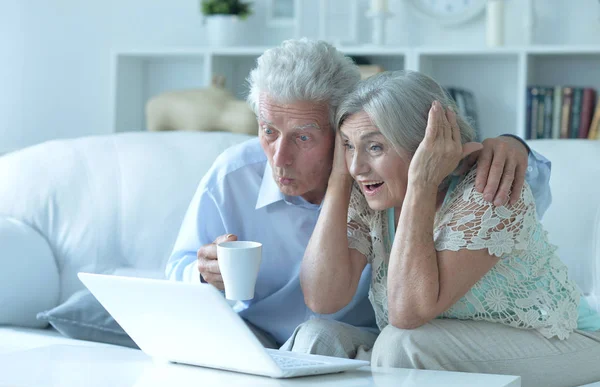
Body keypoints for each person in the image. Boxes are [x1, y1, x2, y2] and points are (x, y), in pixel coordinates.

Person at [165, 39, 551, 352]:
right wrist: (200, 275)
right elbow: (175, 270)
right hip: (252, 337)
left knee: (332, 337)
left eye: (303, 137)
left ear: (344, 126)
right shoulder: (233, 175)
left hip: (355, 341)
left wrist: (514, 145)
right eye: (268, 131)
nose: (278, 158)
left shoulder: (380, 174)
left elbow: (513, 193)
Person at [297, 70, 600, 387]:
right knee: (318, 336)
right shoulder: (372, 193)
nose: (358, 166)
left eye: (374, 147)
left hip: (568, 343)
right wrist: (339, 179)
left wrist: (422, 182)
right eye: (348, 146)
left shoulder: (487, 193)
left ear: (426, 144)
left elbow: (407, 312)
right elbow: (323, 298)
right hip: (443, 343)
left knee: (400, 347)